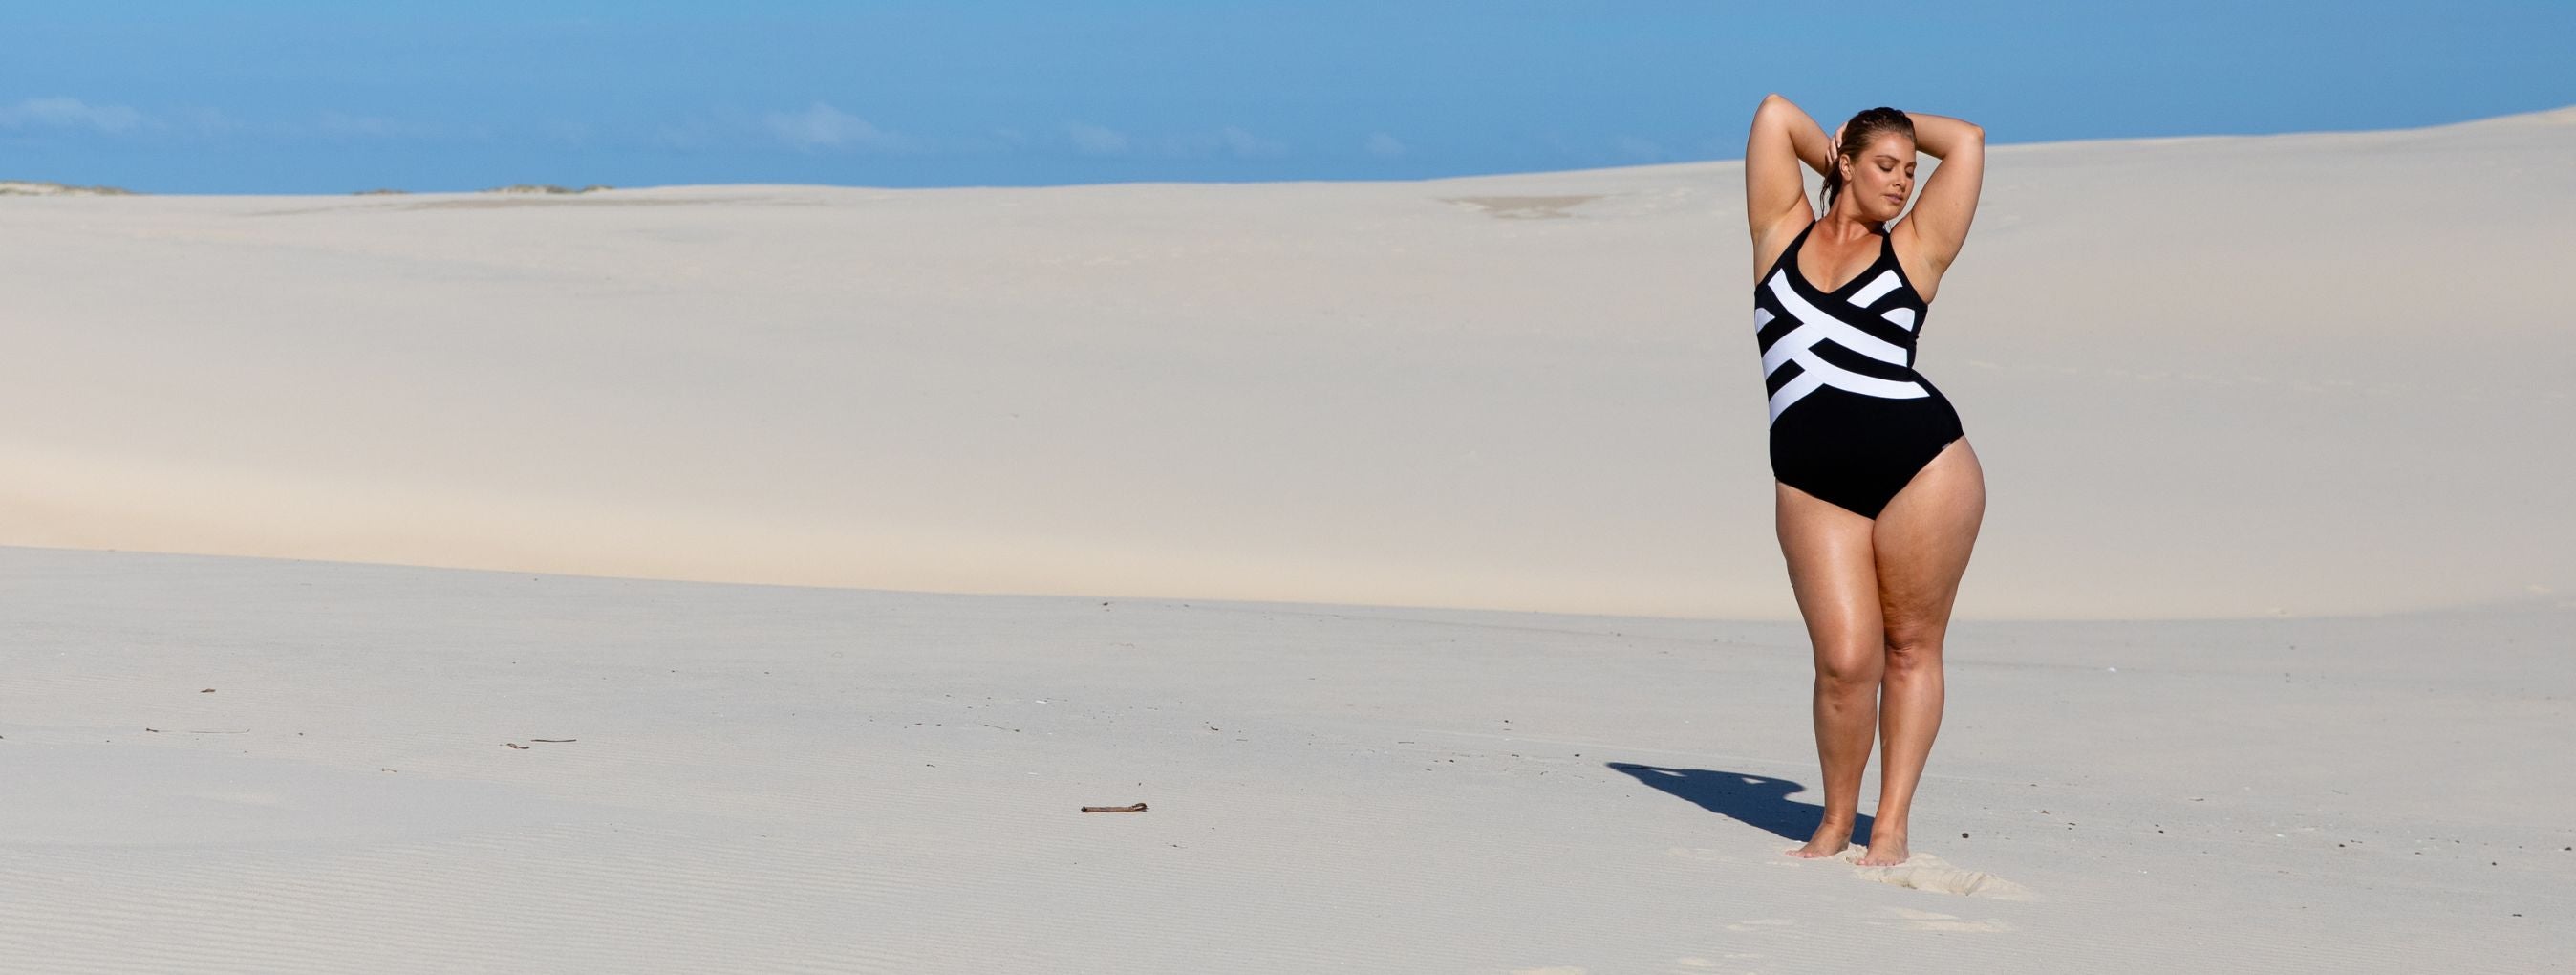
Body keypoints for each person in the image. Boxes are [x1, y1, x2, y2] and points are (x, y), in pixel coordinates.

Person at [1742, 94, 1987, 866]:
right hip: (1812, 483)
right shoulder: (1778, 233)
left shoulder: (1914, 248)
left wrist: (1894, 131)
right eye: (1886, 166)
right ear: (1845, 161)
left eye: (1912, 171)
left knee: (1911, 648)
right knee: (1847, 662)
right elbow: (1775, 114)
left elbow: (1970, 140)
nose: (1903, 182)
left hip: (1923, 468)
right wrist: (1841, 150)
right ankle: (1832, 819)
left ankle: (1891, 824)